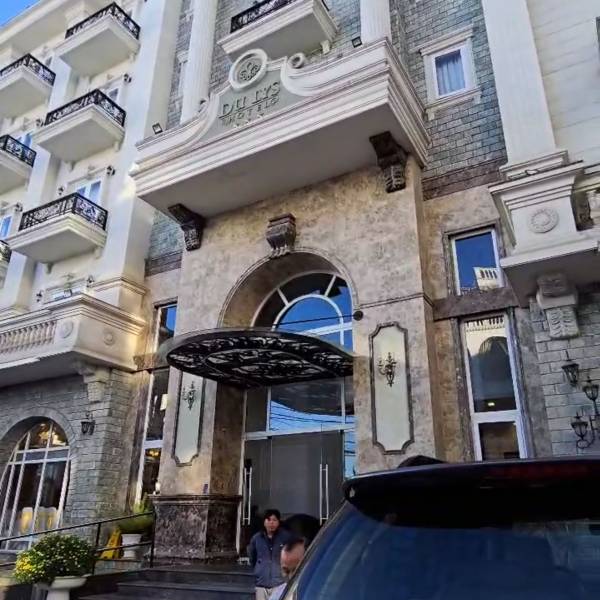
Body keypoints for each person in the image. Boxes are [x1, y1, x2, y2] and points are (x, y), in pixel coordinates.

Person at [248, 509, 292, 600]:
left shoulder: (286, 537)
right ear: (264, 522)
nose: (271, 523)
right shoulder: (256, 538)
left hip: (279, 583)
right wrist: (259, 568)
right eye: (268, 520)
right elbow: (253, 557)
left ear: (279, 522)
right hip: (261, 583)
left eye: (274, 520)